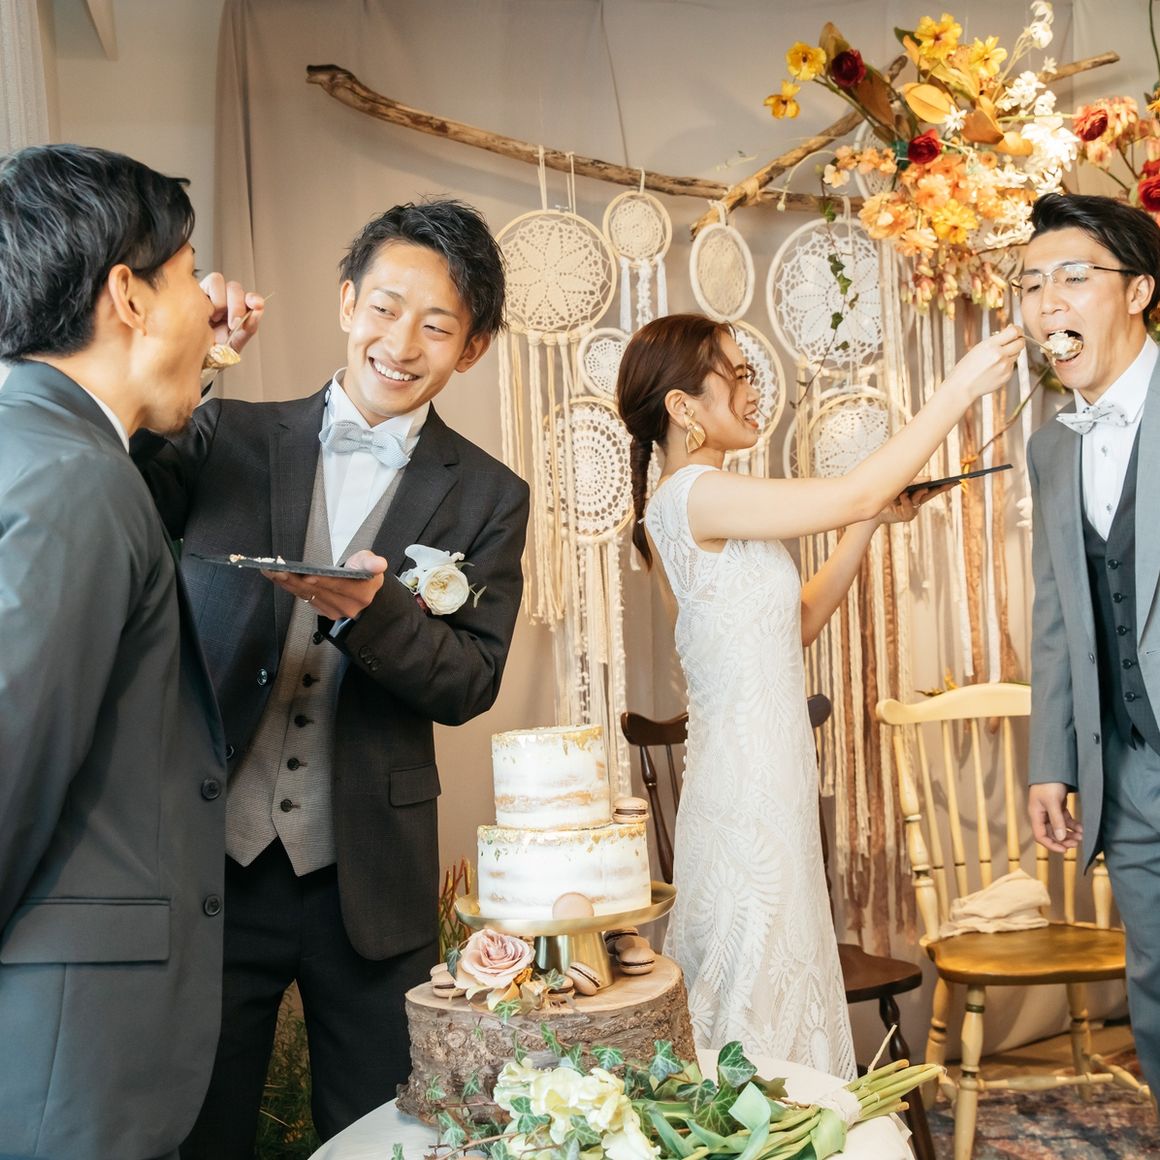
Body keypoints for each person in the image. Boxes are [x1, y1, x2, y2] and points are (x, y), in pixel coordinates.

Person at [133, 199, 530, 1154]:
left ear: (471, 349)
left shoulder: (490, 494)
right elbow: (115, 486)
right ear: (348, 302)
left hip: (370, 878)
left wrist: (374, 613)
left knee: (379, 1135)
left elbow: (470, 682)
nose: (402, 343)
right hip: (214, 866)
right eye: (385, 308)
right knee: (200, 1133)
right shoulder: (226, 431)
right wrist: (193, 358)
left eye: (437, 326)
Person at [616, 313, 1023, 1076]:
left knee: (771, 971)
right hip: (747, 784)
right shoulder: (695, 493)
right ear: (681, 407)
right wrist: (961, 387)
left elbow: (796, 623)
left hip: (767, 773)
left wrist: (870, 523)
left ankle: (776, 1116)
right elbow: (856, 490)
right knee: (753, 979)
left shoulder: (696, 501)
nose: (753, 391)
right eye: (738, 375)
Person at [0, 144, 257, 1160]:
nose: (208, 302)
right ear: (128, 295)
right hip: (68, 1067)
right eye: (189, 275)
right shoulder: (76, 479)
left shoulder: (39, 443)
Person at [1023, 191, 1160, 1099]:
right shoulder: (1051, 448)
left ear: (1139, 291)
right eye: (1033, 284)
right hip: (1129, 770)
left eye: (1074, 277)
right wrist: (1051, 759)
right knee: (1155, 991)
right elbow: (1057, 612)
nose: (1049, 302)